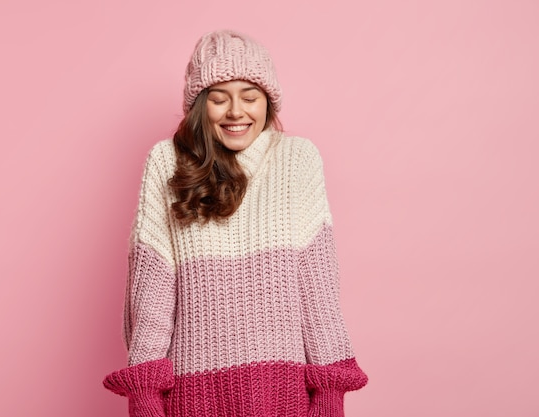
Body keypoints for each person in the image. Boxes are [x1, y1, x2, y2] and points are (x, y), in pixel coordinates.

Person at [103, 30, 368, 417]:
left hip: (284, 393)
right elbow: (151, 292)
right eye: (219, 97)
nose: (236, 112)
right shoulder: (167, 162)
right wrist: (143, 393)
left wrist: (330, 392)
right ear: (199, 105)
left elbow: (318, 289)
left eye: (250, 96)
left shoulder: (298, 159)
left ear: (268, 102)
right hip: (192, 395)